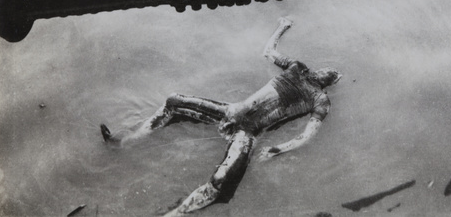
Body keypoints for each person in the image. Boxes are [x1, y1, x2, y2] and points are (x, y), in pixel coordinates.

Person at [100, 17, 342, 216]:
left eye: (330, 74)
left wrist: (278, 149)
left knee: (220, 182)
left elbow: (307, 135)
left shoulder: (318, 98)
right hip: (230, 111)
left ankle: (172, 215)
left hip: (246, 134)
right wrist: (281, 26)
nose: (326, 73)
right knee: (174, 101)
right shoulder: (297, 68)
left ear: (329, 82)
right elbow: (269, 52)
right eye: (328, 70)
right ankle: (127, 140)